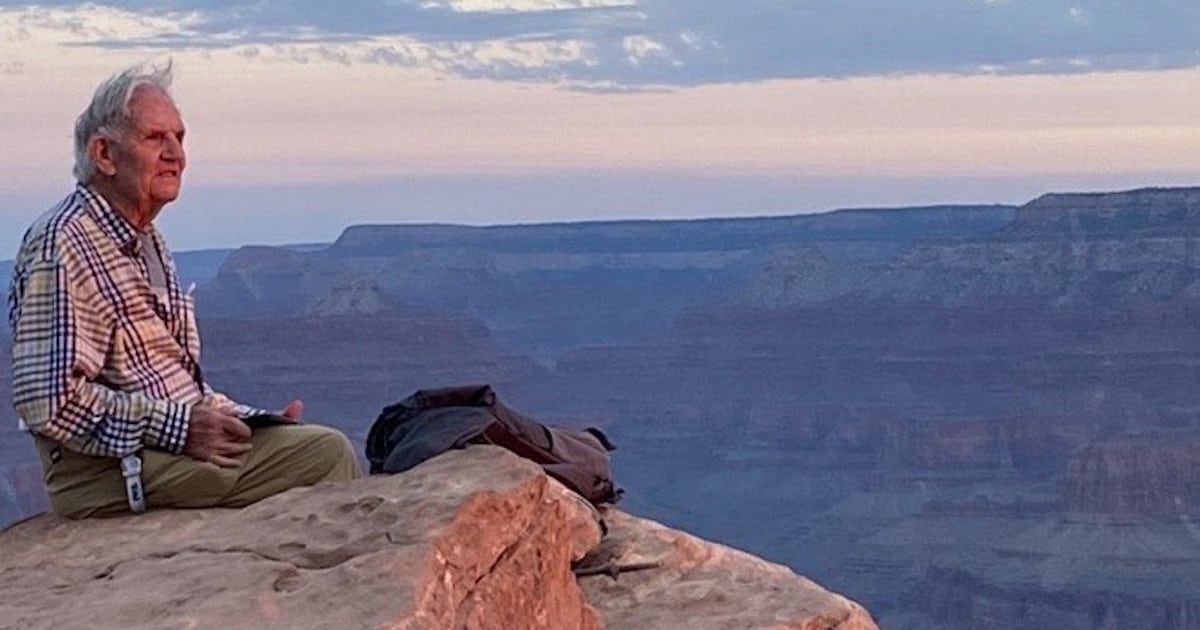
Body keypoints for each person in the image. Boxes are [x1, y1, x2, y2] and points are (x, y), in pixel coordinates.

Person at [6, 62, 361, 519]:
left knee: (303, 444)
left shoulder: (147, 240)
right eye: (156, 138)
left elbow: (172, 379)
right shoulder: (64, 245)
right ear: (105, 154)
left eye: (180, 138)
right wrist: (181, 428)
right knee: (325, 456)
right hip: (103, 469)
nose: (176, 154)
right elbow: (48, 402)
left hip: (157, 449)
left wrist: (253, 421)